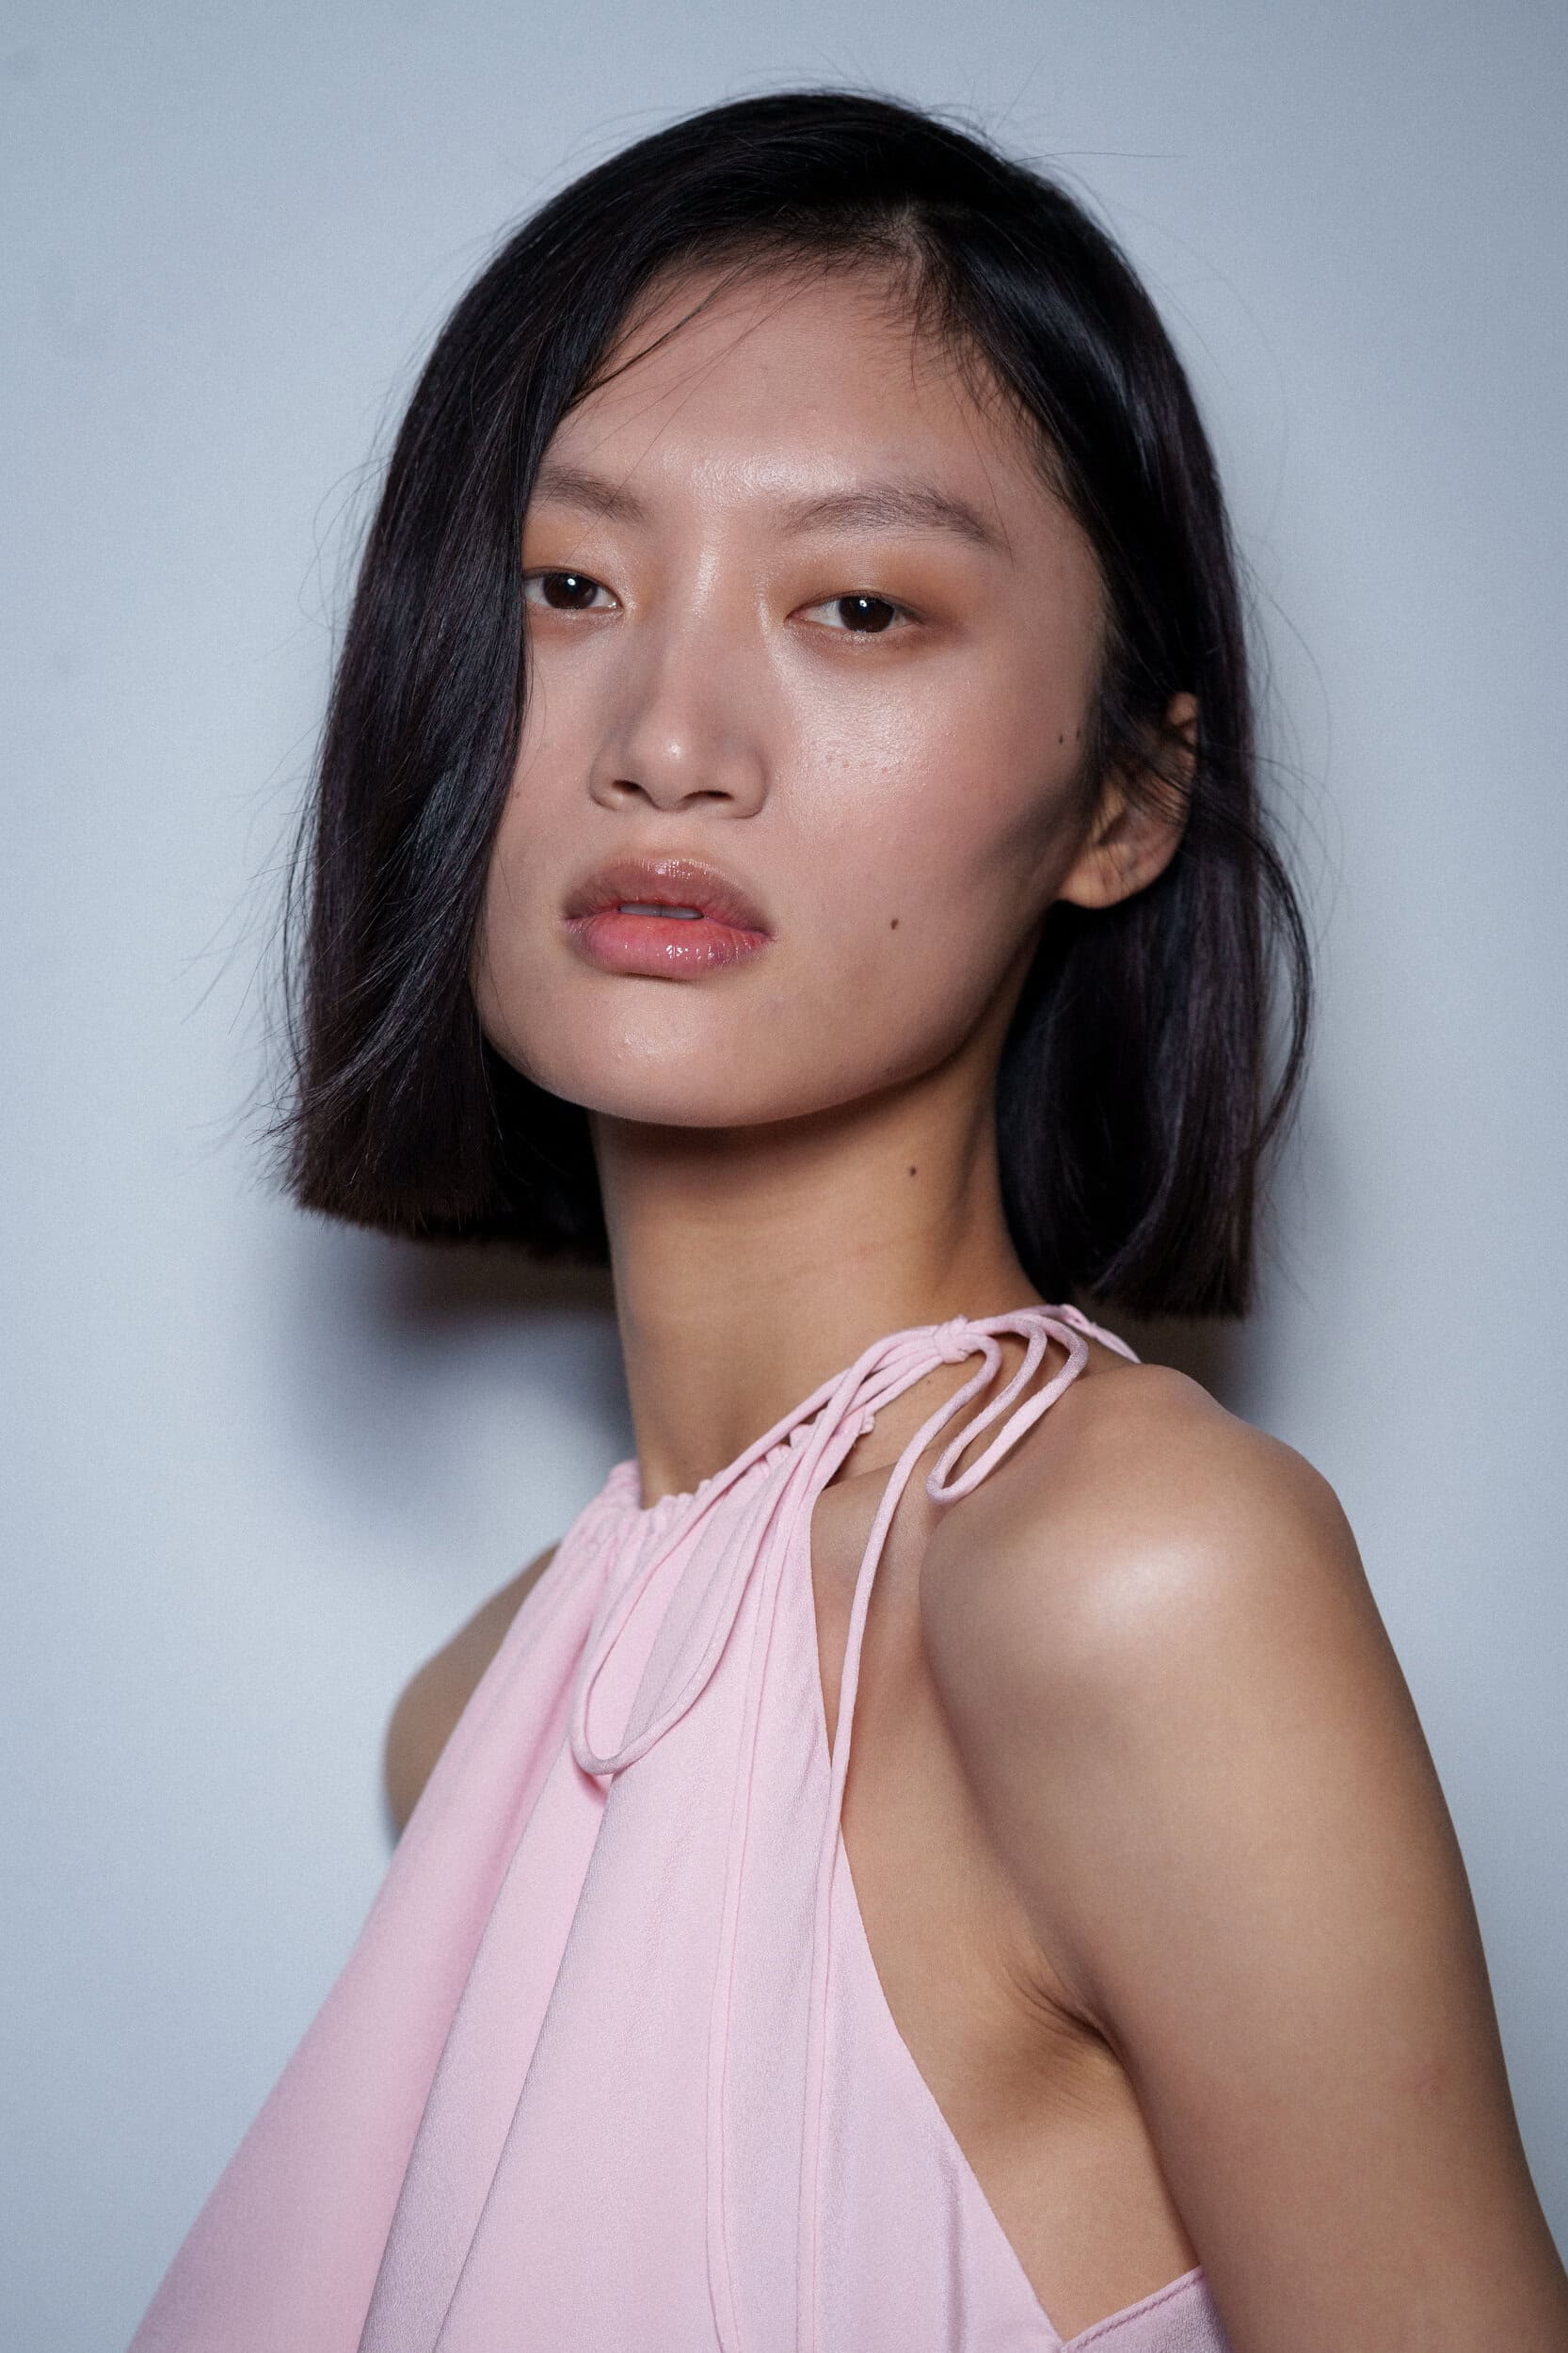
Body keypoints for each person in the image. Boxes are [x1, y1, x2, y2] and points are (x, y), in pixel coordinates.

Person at [129, 89, 1568, 2353]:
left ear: (1123, 799)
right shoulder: (473, 1714)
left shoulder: (1132, 1587)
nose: (667, 738)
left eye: (860, 604)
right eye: (566, 584)